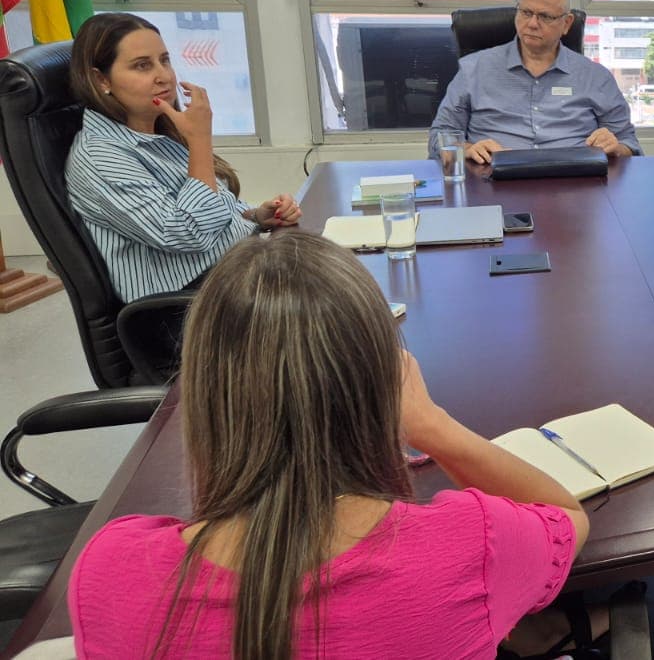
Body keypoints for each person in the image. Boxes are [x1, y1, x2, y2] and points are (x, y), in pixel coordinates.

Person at [68, 231, 590, 658]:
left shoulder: (107, 574)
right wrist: (432, 424)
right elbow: (563, 516)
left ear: (204, 391)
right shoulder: (472, 545)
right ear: (380, 384)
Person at [65, 12, 300, 302]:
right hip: (183, 305)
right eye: (142, 66)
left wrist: (255, 216)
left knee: (330, 260)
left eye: (164, 60)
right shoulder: (99, 156)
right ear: (101, 80)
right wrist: (200, 139)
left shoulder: (158, 132)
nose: (163, 76)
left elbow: (207, 211)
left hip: (227, 273)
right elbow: (189, 232)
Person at [429, 0, 640, 163]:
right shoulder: (474, 69)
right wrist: (467, 149)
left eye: (545, 17)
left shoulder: (595, 77)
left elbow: (629, 144)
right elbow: (439, 137)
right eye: (526, 13)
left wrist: (615, 148)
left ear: (566, 24)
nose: (532, 24)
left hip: (574, 183)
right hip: (492, 180)